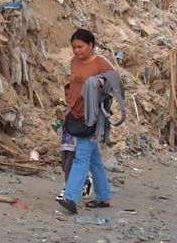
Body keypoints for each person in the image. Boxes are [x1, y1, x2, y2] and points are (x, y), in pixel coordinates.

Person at [57, 29, 114, 215]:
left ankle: (71, 198)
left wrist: (99, 82)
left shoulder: (100, 63)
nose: (76, 50)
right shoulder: (74, 62)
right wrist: (68, 109)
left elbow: (115, 84)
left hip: (94, 118)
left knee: (81, 158)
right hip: (75, 115)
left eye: (80, 46)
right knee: (93, 159)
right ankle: (104, 196)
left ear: (91, 45)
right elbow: (73, 87)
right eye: (73, 47)